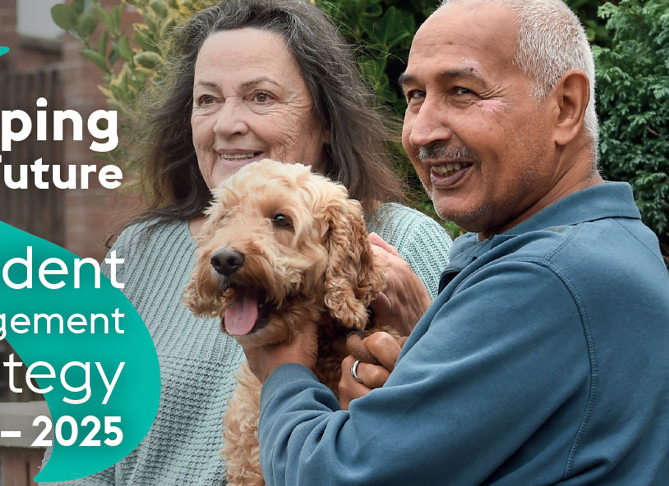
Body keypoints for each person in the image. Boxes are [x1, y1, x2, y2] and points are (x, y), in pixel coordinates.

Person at [242, 0, 669, 484]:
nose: (421, 131)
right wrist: (426, 339)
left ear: (566, 106)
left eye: (462, 91)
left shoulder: (546, 277)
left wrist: (281, 367)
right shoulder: (609, 243)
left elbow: (329, 474)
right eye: (415, 96)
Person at [46, 0, 453, 484]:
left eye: (260, 96)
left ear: (324, 120)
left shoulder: (402, 242)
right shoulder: (139, 250)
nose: (225, 124)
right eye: (207, 100)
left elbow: (449, 430)